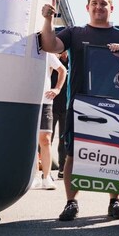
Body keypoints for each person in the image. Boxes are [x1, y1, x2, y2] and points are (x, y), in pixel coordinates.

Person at [40, 0, 119, 221]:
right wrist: (47, 19)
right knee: (73, 155)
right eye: (94, 3)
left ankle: (114, 201)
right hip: (79, 103)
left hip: (115, 105)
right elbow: (49, 45)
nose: (99, 7)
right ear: (87, 8)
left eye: (103, 4)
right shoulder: (74, 32)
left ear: (111, 8)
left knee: (114, 155)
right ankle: (71, 202)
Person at [32, 53, 67, 190]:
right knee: (32, 140)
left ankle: (46, 177)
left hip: (46, 102)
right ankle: (34, 176)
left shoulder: (47, 54)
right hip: (28, 101)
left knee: (45, 140)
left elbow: (62, 70)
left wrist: (57, 89)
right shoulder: (24, 51)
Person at [51, 51, 69, 179]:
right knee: (47, 138)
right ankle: (44, 169)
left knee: (64, 140)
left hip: (66, 107)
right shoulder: (53, 61)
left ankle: (62, 168)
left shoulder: (71, 63)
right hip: (52, 105)